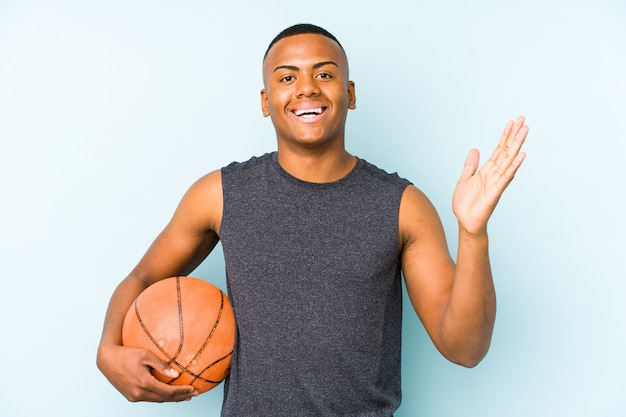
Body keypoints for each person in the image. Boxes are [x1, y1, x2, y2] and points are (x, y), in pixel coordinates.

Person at [97, 23, 529, 416]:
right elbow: (141, 278)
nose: (307, 88)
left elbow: (466, 348)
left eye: (324, 74)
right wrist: (107, 351)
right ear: (267, 102)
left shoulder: (403, 206)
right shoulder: (219, 195)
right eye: (287, 77)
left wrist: (473, 234)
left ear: (351, 93)